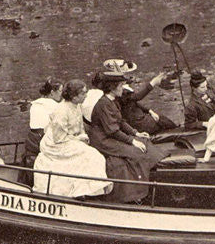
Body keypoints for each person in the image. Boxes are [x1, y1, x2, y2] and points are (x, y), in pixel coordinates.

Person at [88, 70, 169, 203]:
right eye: (120, 86)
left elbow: (121, 122)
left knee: (143, 141)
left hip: (111, 135)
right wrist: (132, 141)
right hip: (103, 141)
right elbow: (112, 131)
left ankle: (150, 174)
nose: (123, 89)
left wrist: (136, 133)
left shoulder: (113, 101)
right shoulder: (103, 105)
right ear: (112, 88)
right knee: (136, 152)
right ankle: (136, 194)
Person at [32, 79, 113, 198]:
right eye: (83, 93)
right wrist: (78, 139)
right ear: (74, 97)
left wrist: (83, 137)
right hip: (55, 144)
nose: (86, 96)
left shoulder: (77, 106)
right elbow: (59, 137)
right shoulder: (62, 111)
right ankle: (80, 191)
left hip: (70, 139)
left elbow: (80, 126)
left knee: (89, 152)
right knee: (93, 155)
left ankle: (86, 190)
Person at [118, 66, 178, 135]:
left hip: (139, 117)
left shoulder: (124, 88)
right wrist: (153, 83)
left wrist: (150, 111)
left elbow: (134, 102)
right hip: (137, 123)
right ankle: (177, 132)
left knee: (161, 118)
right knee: (162, 121)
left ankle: (176, 130)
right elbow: (137, 97)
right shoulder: (122, 91)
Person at [22, 77, 63, 172]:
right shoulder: (54, 106)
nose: (62, 94)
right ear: (52, 92)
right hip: (44, 139)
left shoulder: (36, 104)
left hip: (32, 139)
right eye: (60, 91)